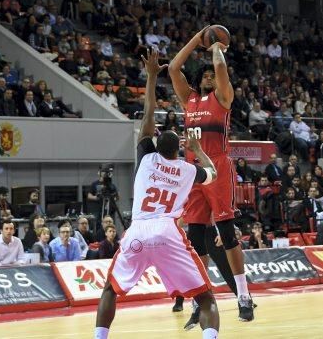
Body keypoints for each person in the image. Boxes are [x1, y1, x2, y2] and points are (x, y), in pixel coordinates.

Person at [96, 47, 220, 339]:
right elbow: (213, 174)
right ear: (177, 150)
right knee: (205, 298)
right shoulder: (187, 170)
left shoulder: (146, 160)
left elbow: (149, 112)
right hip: (167, 231)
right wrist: (199, 151)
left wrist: (151, 76)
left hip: (138, 229)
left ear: (154, 146)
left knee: (110, 290)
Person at [168, 27, 253, 323]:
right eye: (203, 75)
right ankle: (200, 300)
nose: (208, 76)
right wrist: (197, 38)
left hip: (217, 167)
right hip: (193, 172)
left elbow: (219, 67)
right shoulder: (188, 100)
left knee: (227, 233)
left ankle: (244, 296)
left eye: (210, 75)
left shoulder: (223, 98)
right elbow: (174, 67)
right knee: (195, 238)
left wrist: (217, 47)